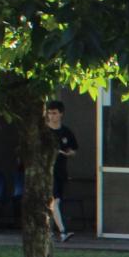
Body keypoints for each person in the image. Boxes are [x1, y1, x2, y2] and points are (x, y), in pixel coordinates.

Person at [45, 101, 78, 243]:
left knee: (54, 202)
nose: (52, 116)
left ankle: (48, 231)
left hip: (60, 171)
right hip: (47, 171)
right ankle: (62, 232)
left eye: (55, 113)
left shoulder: (66, 132)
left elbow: (73, 149)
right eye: (49, 113)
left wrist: (68, 153)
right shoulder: (44, 132)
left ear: (61, 114)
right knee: (54, 201)